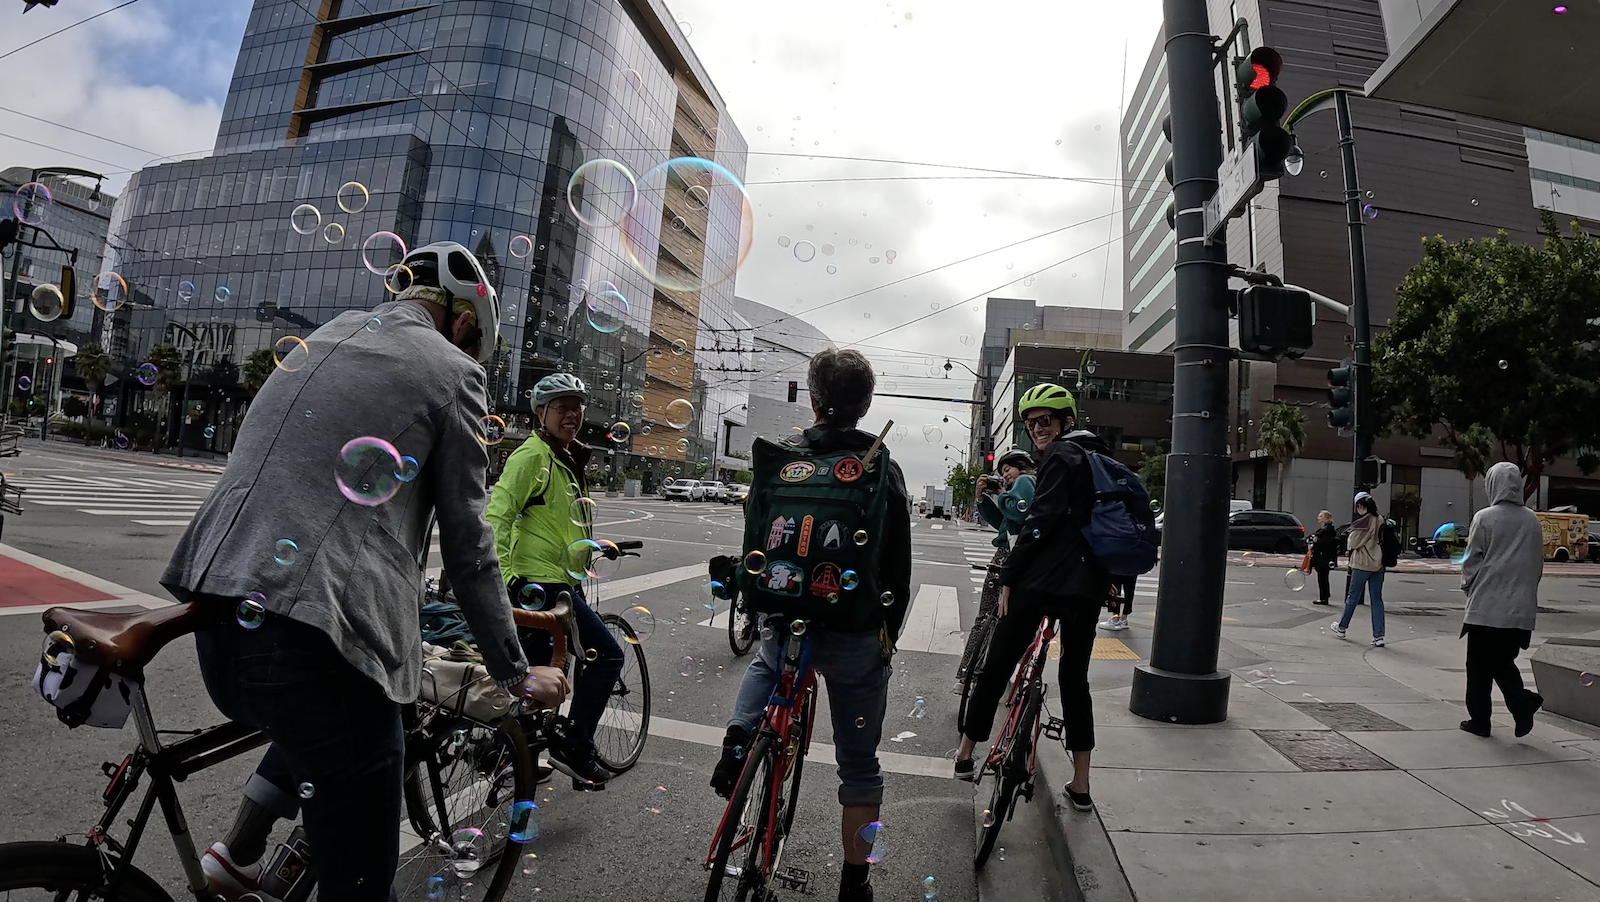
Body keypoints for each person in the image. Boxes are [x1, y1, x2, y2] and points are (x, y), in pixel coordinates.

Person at [163, 241, 547, 902]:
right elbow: (469, 546)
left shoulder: (329, 334)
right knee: (363, 881)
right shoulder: (454, 371)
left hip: (217, 616)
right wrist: (515, 672)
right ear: (464, 322)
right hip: (307, 637)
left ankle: (240, 852)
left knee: (332, 727)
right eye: (474, 342)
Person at [709, 349, 912, 902]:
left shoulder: (783, 456)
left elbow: (759, 533)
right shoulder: (880, 466)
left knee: (766, 660)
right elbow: (896, 568)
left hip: (785, 617)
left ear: (814, 400)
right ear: (865, 405)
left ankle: (738, 739)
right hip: (853, 629)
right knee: (860, 767)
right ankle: (854, 884)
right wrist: (886, 633)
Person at [953, 383, 1110, 815]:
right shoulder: (1101, 458)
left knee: (998, 664)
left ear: (1065, 422)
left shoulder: (1060, 456)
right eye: (1031, 423)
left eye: (1046, 421)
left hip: (1041, 583)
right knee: (1075, 681)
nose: (1038, 429)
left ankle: (965, 753)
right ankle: (1081, 784)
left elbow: (1039, 522)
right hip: (1086, 588)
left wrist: (1009, 577)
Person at [486, 373, 624, 789]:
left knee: (535, 679)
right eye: (561, 407)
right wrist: (503, 580)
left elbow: (554, 522)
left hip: (556, 581)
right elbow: (498, 516)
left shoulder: (562, 457)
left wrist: (591, 545)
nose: (572, 415)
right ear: (541, 413)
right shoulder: (533, 456)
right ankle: (575, 747)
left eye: (577, 408)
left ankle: (508, 756)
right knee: (608, 657)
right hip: (541, 587)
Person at [1458, 462, 1546, 738]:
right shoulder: (1532, 521)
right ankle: (1521, 705)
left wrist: (1468, 587)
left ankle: (1481, 720)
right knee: (1501, 661)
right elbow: (1537, 564)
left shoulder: (1484, 518)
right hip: (1520, 610)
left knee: (1478, 668)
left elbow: (1471, 559)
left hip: (1487, 608)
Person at [1332, 493, 1386, 646]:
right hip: (1378, 563)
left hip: (1361, 563)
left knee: (1353, 597)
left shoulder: (1362, 522)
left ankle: (1342, 628)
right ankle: (1379, 636)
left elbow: (1353, 543)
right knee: (1377, 599)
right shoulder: (1381, 519)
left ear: (1361, 506)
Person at [1310, 510, 1339, 605]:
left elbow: (1326, 544)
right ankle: (1324, 597)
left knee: (1322, 578)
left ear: (1326, 518)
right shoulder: (1326, 530)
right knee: (1323, 578)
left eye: (1320, 516)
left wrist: (1316, 542)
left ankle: (1323, 598)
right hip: (1324, 557)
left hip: (1324, 558)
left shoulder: (1326, 531)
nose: (1318, 518)